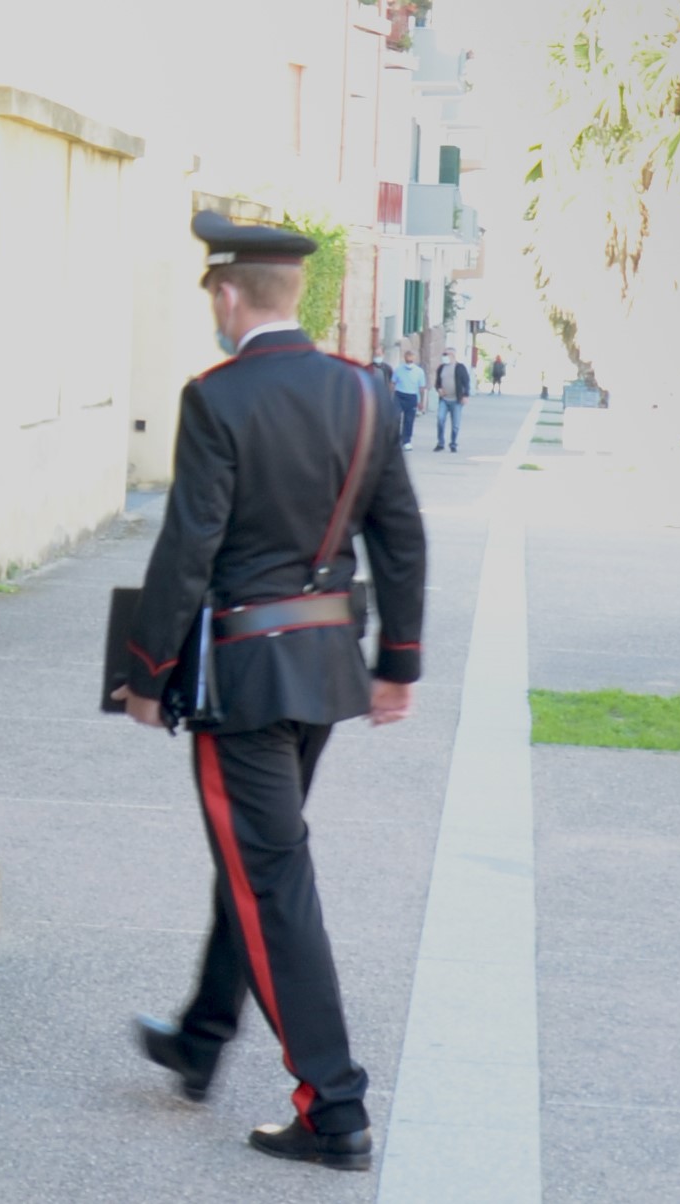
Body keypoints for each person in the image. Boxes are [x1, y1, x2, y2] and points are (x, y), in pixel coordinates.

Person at [115, 210, 426, 1172]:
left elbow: (188, 547)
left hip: (240, 679)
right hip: (325, 666)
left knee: (270, 873)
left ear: (226, 292)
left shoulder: (217, 397)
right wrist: (398, 664)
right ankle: (202, 1039)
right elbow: (401, 535)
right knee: (258, 854)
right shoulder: (364, 392)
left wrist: (145, 673)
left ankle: (332, 1109)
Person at [433, 347, 472, 451]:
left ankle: (453, 444)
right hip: (444, 400)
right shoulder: (441, 368)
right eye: (444, 354)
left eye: (446, 354)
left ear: (452, 355)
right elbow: (437, 383)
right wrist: (439, 389)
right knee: (440, 419)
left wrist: (465, 395)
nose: (444, 357)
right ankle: (440, 443)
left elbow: (466, 382)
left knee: (455, 424)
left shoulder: (460, 367)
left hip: (456, 400)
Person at [391, 348, 427, 450]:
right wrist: (391, 396)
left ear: (414, 360)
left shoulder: (419, 372)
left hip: (411, 396)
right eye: (407, 361)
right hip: (399, 395)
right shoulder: (398, 369)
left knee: (409, 420)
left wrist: (421, 401)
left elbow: (421, 388)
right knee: (395, 417)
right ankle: (395, 440)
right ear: (404, 359)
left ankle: (406, 441)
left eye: (411, 361)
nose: (409, 363)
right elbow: (393, 383)